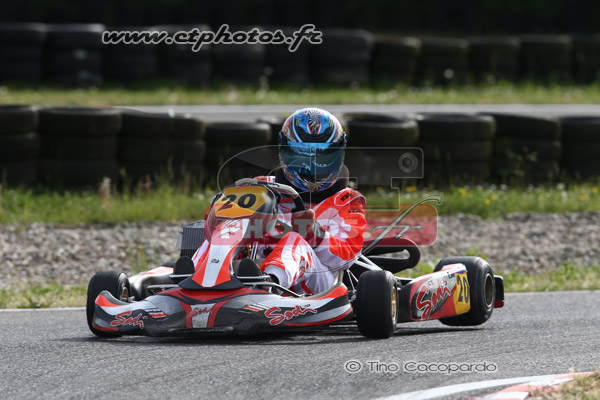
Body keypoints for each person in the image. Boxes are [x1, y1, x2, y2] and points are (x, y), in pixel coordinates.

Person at [193, 107, 367, 295]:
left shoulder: (347, 200)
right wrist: (220, 213)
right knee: (224, 230)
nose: (312, 166)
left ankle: (268, 285)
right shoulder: (262, 186)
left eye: (323, 155)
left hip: (318, 283)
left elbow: (346, 257)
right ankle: (190, 278)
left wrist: (313, 234)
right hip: (253, 267)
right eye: (301, 155)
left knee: (295, 239)